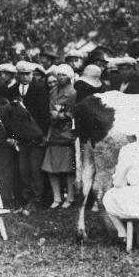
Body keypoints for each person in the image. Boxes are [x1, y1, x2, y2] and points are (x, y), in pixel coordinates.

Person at [12, 60, 50, 214]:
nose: (25, 77)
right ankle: (26, 198)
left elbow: (44, 115)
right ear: (17, 75)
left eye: (27, 74)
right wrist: (13, 136)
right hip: (21, 137)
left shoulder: (40, 89)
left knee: (35, 169)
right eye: (21, 74)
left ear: (32, 74)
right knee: (23, 169)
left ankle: (37, 199)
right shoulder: (13, 90)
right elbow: (11, 116)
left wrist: (42, 135)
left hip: (36, 136)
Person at [42, 64, 77, 209]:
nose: (60, 77)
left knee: (68, 168)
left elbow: (74, 112)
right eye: (59, 75)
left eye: (63, 75)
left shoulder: (73, 92)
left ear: (69, 76)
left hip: (67, 131)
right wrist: (53, 114)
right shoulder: (53, 91)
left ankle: (70, 197)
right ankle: (56, 197)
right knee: (51, 166)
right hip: (54, 131)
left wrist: (63, 115)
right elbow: (50, 107)